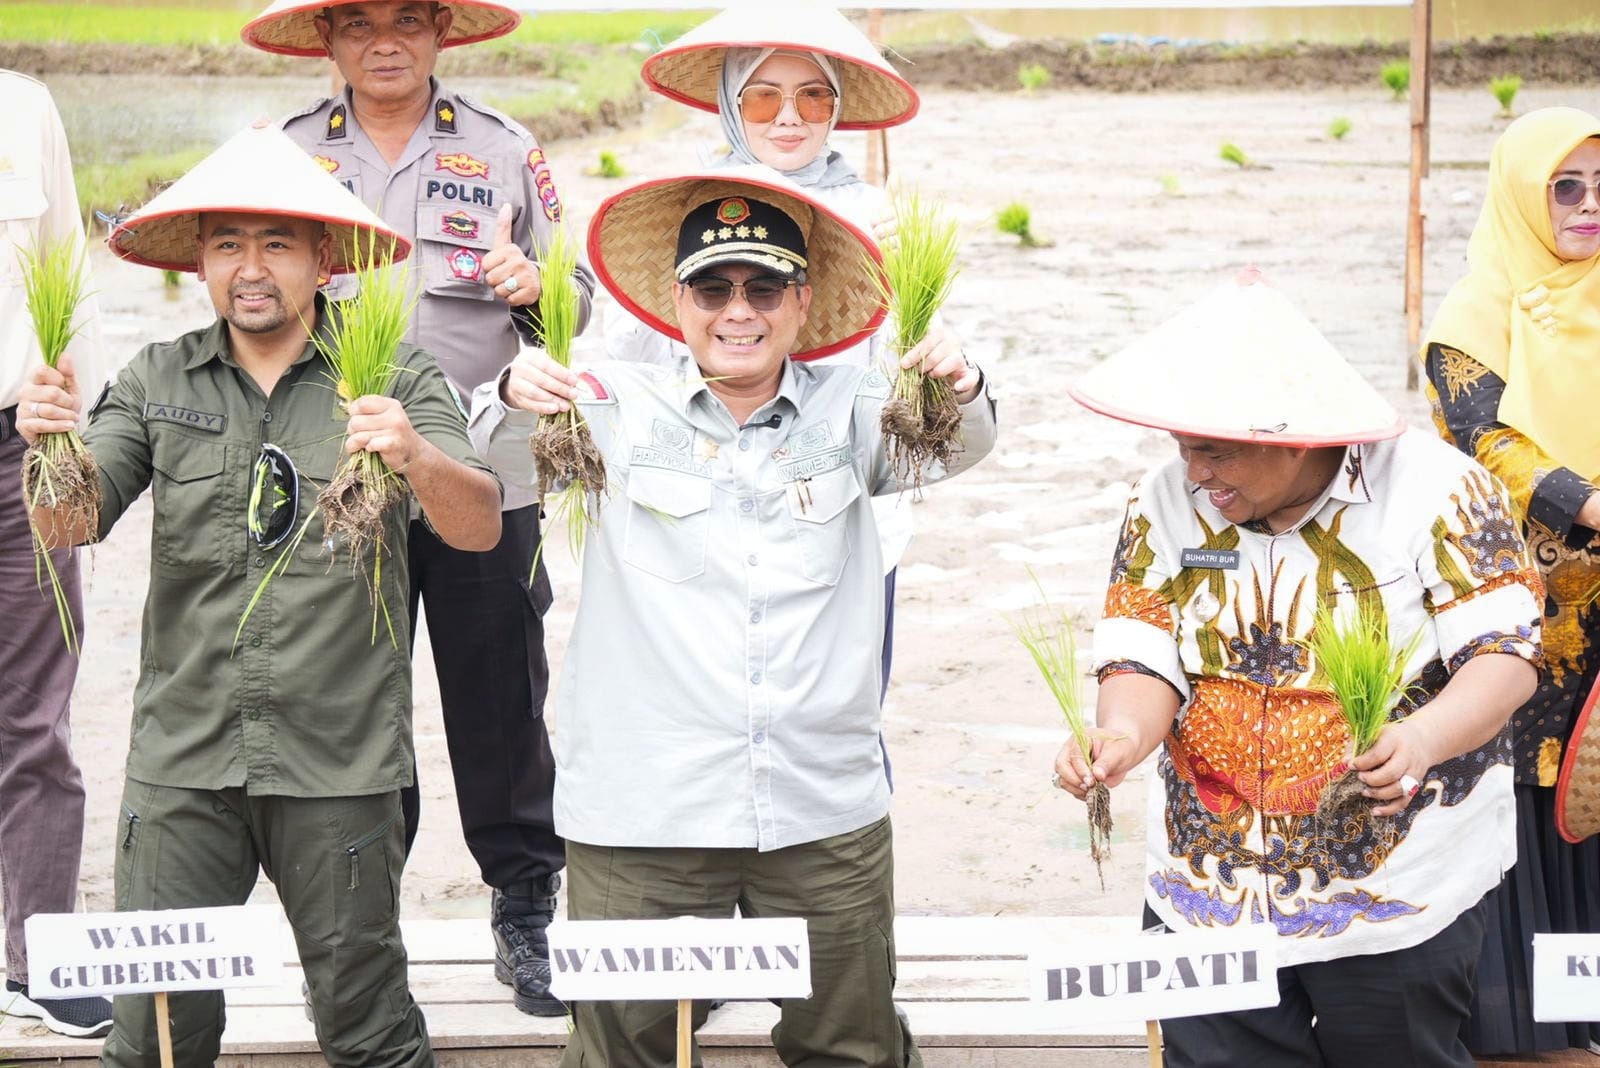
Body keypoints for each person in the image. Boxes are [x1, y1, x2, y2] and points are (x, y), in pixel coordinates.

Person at [470, 167, 997, 1067]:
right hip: (645, 814)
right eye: (712, 288)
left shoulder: (858, 411)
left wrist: (961, 374)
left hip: (818, 809)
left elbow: (964, 443)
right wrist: (512, 390)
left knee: (854, 1048)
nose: (737, 311)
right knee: (621, 1050)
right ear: (678, 301)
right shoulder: (608, 407)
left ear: (803, 301)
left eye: (764, 287)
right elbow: (500, 459)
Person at [17, 123, 503, 1067]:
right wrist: (48, 450)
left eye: (277, 242)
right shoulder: (158, 379)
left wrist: (414, 455)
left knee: (366, 1030)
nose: (251, 267)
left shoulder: (394, 377)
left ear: (324, 258)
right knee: (156, 1034)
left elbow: (478, 524)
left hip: (343, 767)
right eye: (228, 242)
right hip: (184, 765)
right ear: (200, 258)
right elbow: (71, 526)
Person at [1055, 272, 1544, 1068]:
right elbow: (1141, 650)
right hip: (1203, 886)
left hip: (1393, 890)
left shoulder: (1443, 492)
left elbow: (1507, 655)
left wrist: (1420, 739)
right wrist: (1119, 737)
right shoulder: (1164, 501)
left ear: (1292, 435)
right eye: (1183, 446)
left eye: (1214, 448)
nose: (1195, 472)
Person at [242, 0, 595, 1015]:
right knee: (348, 703)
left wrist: (534, 292)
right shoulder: (283, 156)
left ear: (442, 29)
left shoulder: (502, 148)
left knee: (500, 697)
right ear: (327, 40)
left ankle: (524, 912)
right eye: (356, 22)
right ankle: (358, 929)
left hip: (484, 469)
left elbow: (576, 312)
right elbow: (237, 298)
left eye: (406, 18)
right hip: (338, 474)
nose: (382, 40)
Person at [617, 4, 957, 758]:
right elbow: (634, 355)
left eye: (814, 97)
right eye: (764, 96)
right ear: (732, 105)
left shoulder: (879, 218)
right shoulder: (687, 205)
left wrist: (926, 330)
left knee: (840, 711)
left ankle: (833, 847)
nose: (790, 117)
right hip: (709, 492)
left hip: (835, 489)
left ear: (837, 108)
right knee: (710, 694)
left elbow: (921, 382)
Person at [1419, 105, 1600, 1056]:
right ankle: (1526, 1021)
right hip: (1526, 600)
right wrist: (1589, 502)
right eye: (1563, 188)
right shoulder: (1472, 315)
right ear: (1523, 200)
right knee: (1530, 795)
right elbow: (1482, 436)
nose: (1586, 206)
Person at [0, 67, 114, 1040]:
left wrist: (69, 433)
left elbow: (63, 276)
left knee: (37, 716)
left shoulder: (23, 105)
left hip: (18, 446)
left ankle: (38, 958)